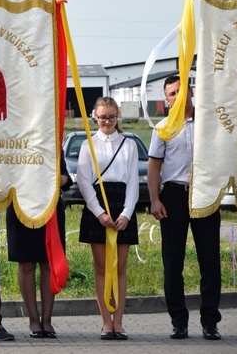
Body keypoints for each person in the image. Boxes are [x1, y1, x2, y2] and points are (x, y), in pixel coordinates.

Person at [148, 75, 221, 341]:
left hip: (204, 195)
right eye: (171, 94)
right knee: (172, 262)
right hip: (174, 197)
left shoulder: (209, 124)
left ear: (191, 91)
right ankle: (179, 321)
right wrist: (155, 199)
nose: (177, 96)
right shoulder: (163, 127)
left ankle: (210, 322)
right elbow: (154, 167)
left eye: (180, 90)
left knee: (210, 260)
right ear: (166, 100)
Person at [77, 96, 139, 340]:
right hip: (98, 207)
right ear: (95, 116)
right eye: (102, 117)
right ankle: (105, 322)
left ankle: (119, 321)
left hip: (122, 203)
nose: (107, 121)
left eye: (112, 117)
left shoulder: (130, 144)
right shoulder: (87, 145)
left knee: (121, 267)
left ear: (118, 116)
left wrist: (126, 213)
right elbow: (83, 182)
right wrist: (99, 212)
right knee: (102, 267)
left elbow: (134, 180)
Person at [6, 155, 72, 338]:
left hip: (49, 207)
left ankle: (47, 320)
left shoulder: (50, 138)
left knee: (48, 263)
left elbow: (66, 175)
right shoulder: (13, 139)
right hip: (21, 206)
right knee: (26, 264)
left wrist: (64, 179)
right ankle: (34, 320)